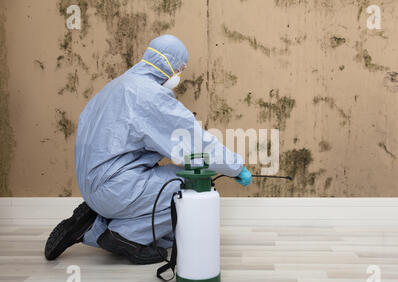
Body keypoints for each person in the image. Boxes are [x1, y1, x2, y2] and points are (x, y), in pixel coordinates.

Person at [44, 35, 252, 265]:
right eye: (181, 67)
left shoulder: (118, 85)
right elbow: (196, 143)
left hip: (93, 184)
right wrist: (235, 167)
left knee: (170, 235)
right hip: (115, 187)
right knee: (189, 185)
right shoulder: (149, 96)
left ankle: (94, 223)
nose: (180, 74)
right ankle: (122, 236)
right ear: (168, 63)